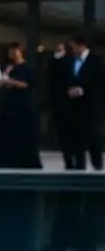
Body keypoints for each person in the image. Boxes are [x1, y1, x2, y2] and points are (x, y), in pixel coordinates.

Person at [0, 43, 41, 251]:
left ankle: (23, 159)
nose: (11, 55)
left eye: (14, 51)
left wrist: (10, 80)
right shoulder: (8, 67)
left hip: (22, 106)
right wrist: (3, 81)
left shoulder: (25, 69)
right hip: (9, 106)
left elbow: (27, 86)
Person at [65, 34, 104, 171]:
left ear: (82, 46)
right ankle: (79, 167)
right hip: (74, 107)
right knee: (77, 138)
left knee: (93, 137)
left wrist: (84, 90)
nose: (72, 50)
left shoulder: (96, 61)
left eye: (74, 47)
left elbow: (100, 83)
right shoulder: (70, 61)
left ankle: (97, 166)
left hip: (91, 106)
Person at [48, 43, 76, 169]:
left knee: (69, 134)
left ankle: (72, 159)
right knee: (64, 134)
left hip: (68, 103)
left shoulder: (67, 62)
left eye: (60, 49)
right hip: (59, 103)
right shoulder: (57, 62)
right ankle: (69, 159)